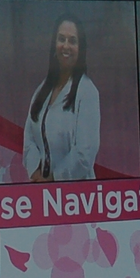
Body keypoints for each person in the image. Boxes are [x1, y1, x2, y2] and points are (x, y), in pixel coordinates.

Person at [25, 16, 102, 182]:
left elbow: (84, 154)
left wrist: (54, 178)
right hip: (41, 190)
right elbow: (29, 138)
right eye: (61, 39)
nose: (66, 46)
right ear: (54, 44)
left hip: (76, 193)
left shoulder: (87, 92)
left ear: (80, 49)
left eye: (72, 41)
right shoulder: (42, 89)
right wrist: (36, 173)